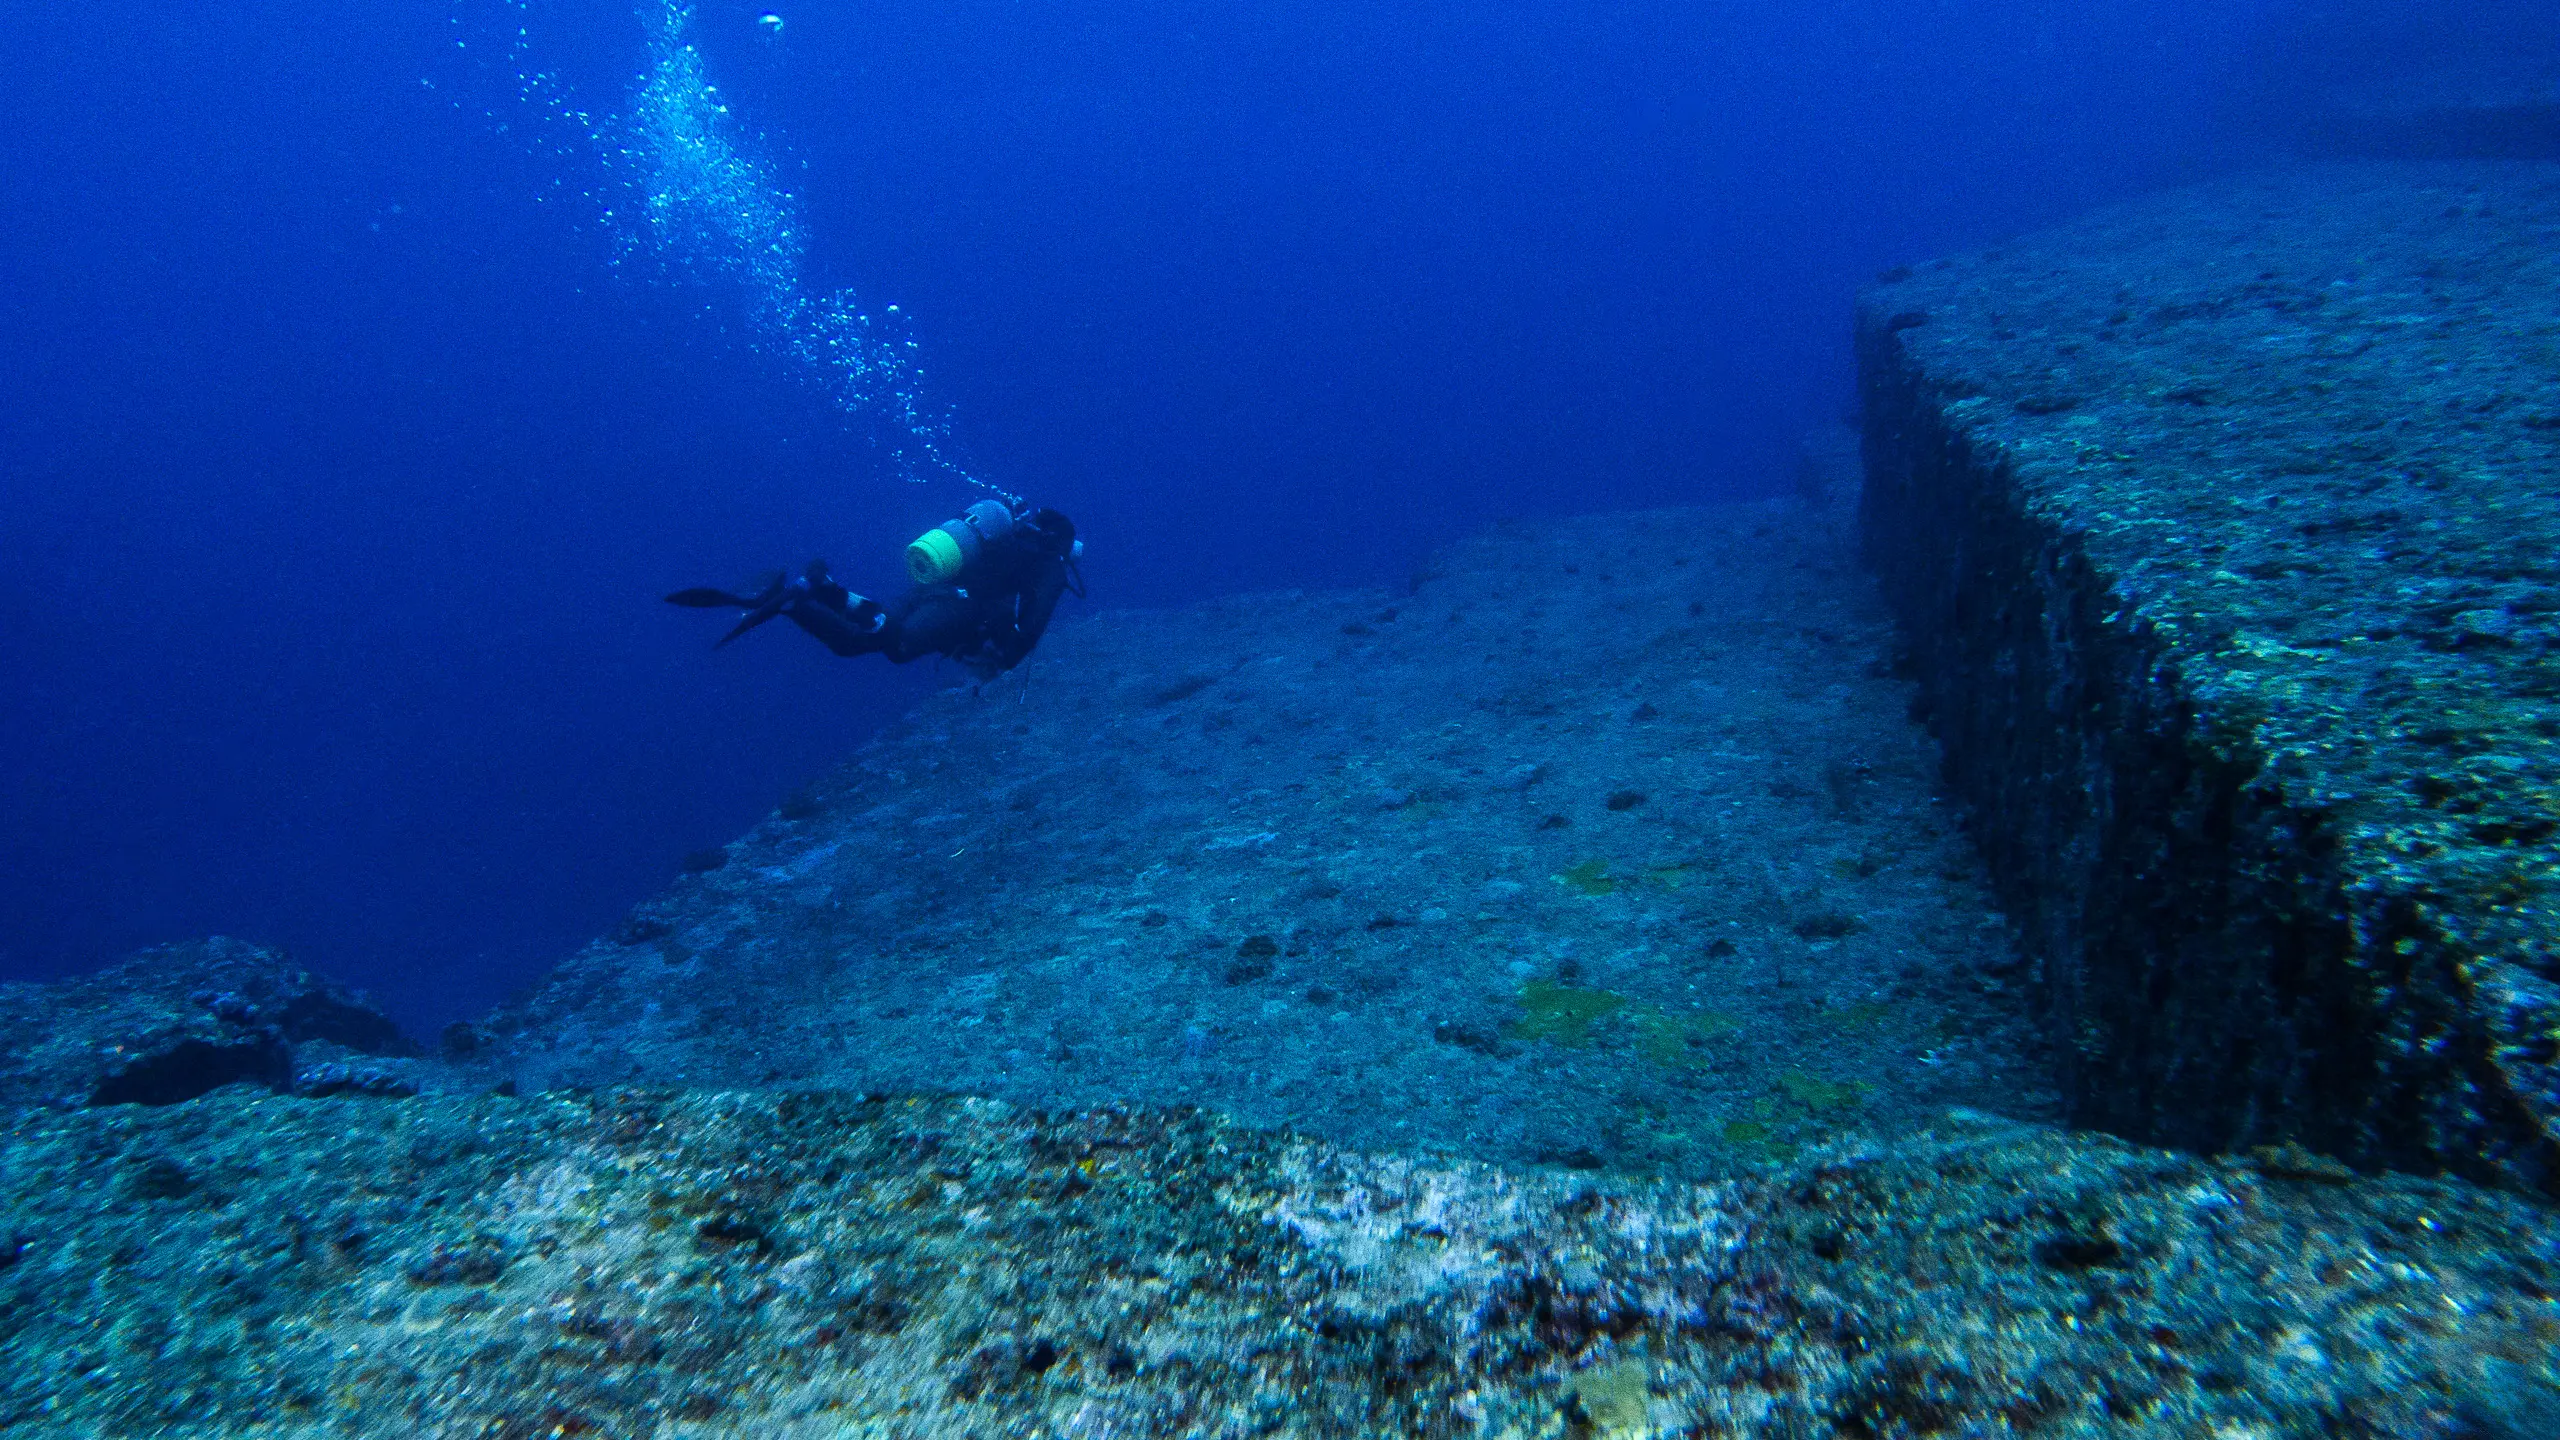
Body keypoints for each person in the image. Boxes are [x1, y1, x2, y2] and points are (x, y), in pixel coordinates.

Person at [668, 501, 1082, 680]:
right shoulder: (1050, 564)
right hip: (960, 607)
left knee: (866, 634)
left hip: (934, 587)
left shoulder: (1007, 534)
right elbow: (1028, 628)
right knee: (894, 647)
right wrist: (1004, 653)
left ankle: (815, 590)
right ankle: (796, 600)